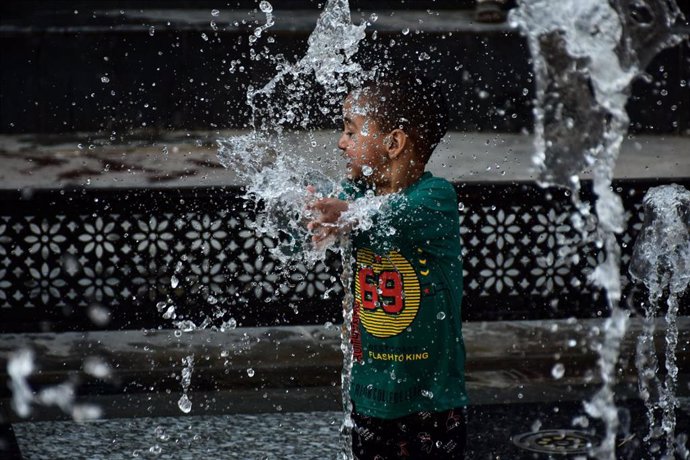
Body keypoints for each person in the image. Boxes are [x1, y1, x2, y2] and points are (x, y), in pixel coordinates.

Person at [307, 76, 468, 459]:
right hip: (368, 392)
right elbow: (334, 215)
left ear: (393, 143)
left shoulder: (434, 197)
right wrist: (314, 218)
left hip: (433, 399)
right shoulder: (355, 193)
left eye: (351, 131)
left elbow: (396, 214)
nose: (341, 143)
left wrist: (347, 215)